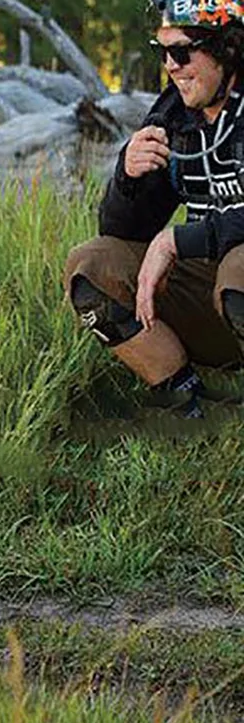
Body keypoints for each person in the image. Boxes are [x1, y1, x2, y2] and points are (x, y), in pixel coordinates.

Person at [64, 0, 244, 418]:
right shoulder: (172, 116)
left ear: (228, 48)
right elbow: (118, 230)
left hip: (236, 281)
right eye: (161, 52)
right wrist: (128, 176)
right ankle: (184, 394)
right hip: (208, 293)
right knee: (91, 265)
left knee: (239, 267)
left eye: (182, 51)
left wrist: (177, 240)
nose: (172, 66)